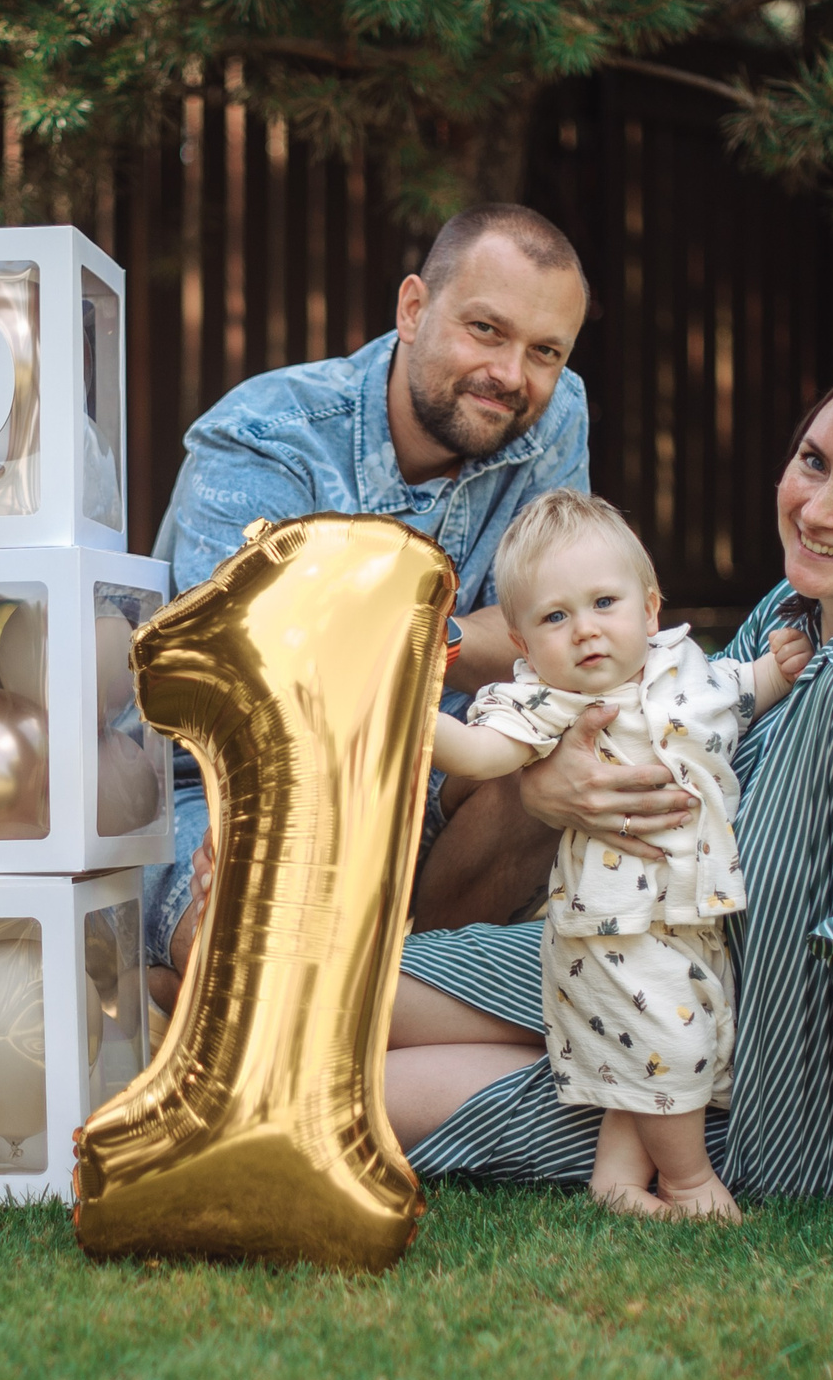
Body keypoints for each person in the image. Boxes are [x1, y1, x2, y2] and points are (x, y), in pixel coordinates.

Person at [194, 357, 833, 1285]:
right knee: (266, 981)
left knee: (321, 1079)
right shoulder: (804, 614)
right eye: (812, 461)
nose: (816, 509)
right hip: (633, 951)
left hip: (751, 1089)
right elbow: (667, 708)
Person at [144, 204, 699, 1000]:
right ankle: (206, 978)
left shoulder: (553, 413)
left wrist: (371, 639)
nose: (512, 374)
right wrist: (471, 642)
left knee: (598, 732)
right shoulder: (267, 436)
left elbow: (568, 636)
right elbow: (257, 686)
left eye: (545, 350)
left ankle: (409, 986)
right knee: (258, 916)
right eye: (485, 329)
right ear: (413, 309)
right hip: (238, 782)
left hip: (447, 763)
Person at [429, 489, 813, 1221]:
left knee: (648, 1046)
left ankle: (615, 1181)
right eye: (555, 617)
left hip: (688, 917)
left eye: (604, 603)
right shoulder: (548, 701)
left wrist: (778, 670)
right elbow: (479, 754)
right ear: (522, 644)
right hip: (618, 928)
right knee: (672, 1042)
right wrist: (416, 717)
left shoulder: (688, 669)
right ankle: (691, 1181)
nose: (585, 632)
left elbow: (741, 691)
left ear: (649, 608)